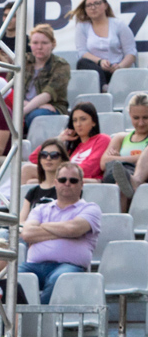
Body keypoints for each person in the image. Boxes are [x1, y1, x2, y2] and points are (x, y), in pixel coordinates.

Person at [19, 162, 101, 303]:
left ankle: (44, 322)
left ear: (81, 184)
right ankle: (15, 323)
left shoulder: (91, 208)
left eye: (73, 180)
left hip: (69, 267)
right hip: (34, 265)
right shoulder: (40, 209)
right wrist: (66, 232)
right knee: (11, 277)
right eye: (63, 180)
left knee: (58, 280)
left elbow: (73, 229)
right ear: (56, 183)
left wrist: (42, 226)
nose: (67, 183)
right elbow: (27, 234)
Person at [72, 0, 136, 85]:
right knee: (82, 63)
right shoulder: (82, 26)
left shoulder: (119, 25)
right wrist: (100, 61)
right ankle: (104, 88)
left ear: (105, 5)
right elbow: (82, 52)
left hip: (117, 69)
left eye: (97, 3)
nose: (93, 8)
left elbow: (131, 52)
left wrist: (120, 66)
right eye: (89, 5)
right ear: (85, 9)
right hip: (96, 69)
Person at [24, 25, 70, 130]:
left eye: (44, 43)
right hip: (27, 105)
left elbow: (48, 94)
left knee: (38, 116)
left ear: (53, 44)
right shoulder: (22, 61)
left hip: (52, 107)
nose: (39, 47)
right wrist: (35, 105)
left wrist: (22, 112)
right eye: (35, 43)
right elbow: (10, 92)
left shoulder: (61, 65)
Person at [109, 95, 148, 208]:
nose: (140, 123)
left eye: (145, 118)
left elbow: (112, 160)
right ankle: (121, 220)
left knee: (124, 181)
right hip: (122, 177)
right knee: (121, 183)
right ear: (130, 115)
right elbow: (104, 162)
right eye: (136, 118)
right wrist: (138, 158)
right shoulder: (121, 137)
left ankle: (135, 180)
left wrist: (119, 158)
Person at [23, 138, 68, 221]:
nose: (48, 158)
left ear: (63, 159)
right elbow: (21, 221)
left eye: (54, 155)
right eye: (44, 155)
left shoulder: (69, 188)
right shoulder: (33, 191)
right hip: (32, 231)